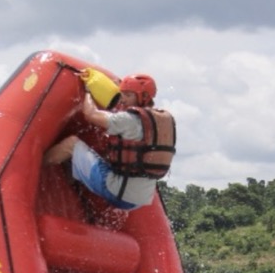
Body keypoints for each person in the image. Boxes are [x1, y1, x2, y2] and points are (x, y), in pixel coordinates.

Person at [43, 72, 176, 211]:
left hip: (117, 193)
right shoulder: (162, 123)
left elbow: (91, 114)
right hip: (138, 201)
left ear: (143, 97)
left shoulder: (130, 120)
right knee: (93, 156)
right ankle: (70, 186)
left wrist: (88, 90)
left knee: (72, 144)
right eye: (122, 93)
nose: (123, 99)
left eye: (128, 95)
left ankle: (36, 166)